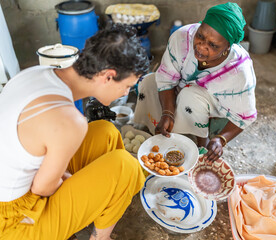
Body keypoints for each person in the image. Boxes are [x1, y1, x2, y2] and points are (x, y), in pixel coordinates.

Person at [0, 24, 149, 240]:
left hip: (17, 184)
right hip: (13, 219)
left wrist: (67, 178)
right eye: (127, 86)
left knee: (105, 130)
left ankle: (100, 207)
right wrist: (69, 180)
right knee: (126, 166)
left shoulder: (39, 72)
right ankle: (100, 237)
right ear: (108, 76)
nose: (125, 93)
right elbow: (42, 188)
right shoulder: (69, 121)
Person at [134, 2, 257, 162]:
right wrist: (167, 113)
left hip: (212, 106)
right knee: (149, 82)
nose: (201, 46)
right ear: (199, 27)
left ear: (228, 47)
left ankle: (201, 144)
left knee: (191, 95)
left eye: (213, 45)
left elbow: (245, 116)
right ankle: (151, 131)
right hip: (181, 89)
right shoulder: (182, 38)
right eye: (200, 36)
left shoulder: (239, 70)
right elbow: (165, 79)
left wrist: (221, 139)